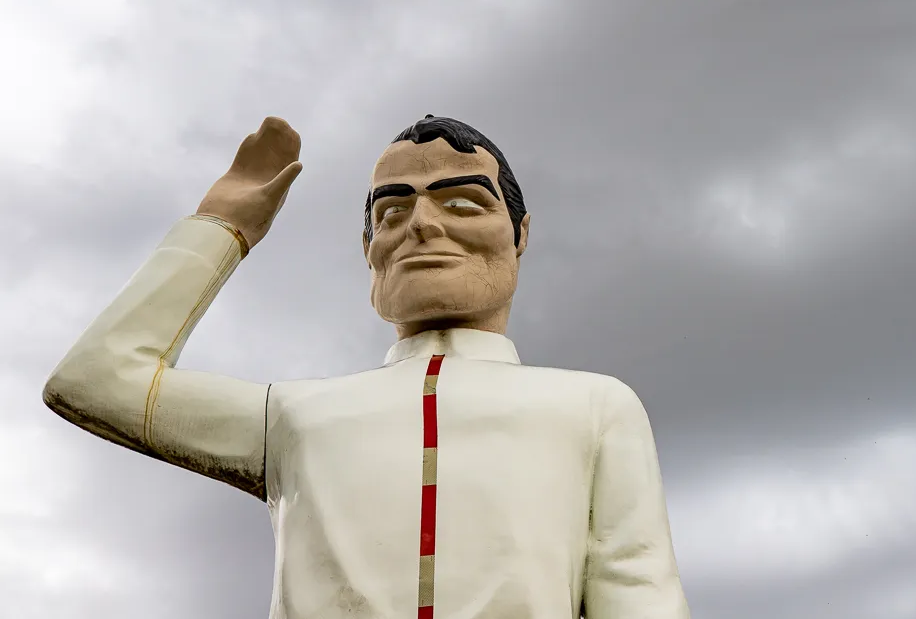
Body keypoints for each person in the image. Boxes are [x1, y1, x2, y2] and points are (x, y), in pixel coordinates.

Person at [43, 114, 690, 619]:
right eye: (392, 210)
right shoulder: (294, 417)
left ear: (519, 233)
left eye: (463, 202)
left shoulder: (595, 407)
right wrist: (221, 225)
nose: (422, 225)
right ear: (369, 250)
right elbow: (95, 379)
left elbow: (640, 596)